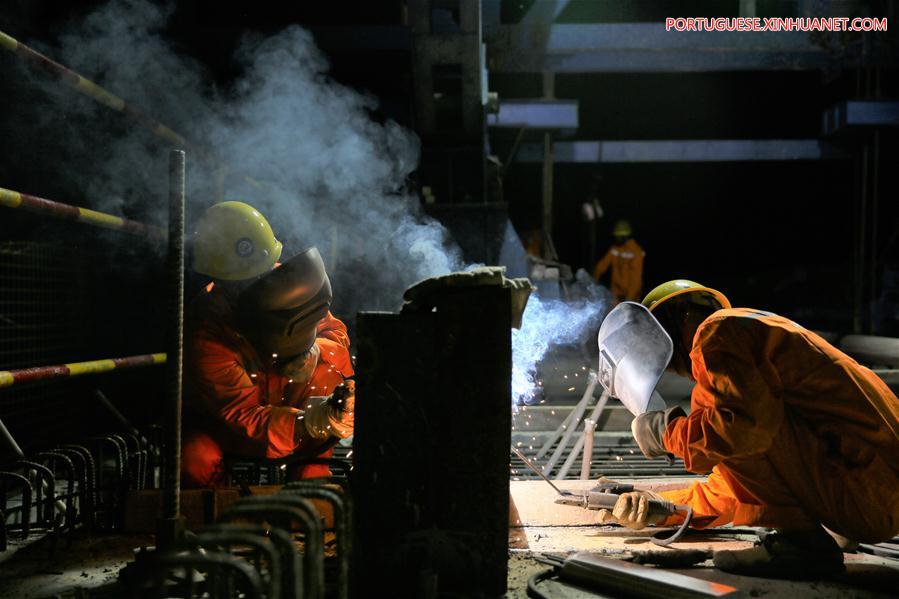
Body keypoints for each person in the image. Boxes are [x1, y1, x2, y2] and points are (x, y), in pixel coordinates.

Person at [598, 279, 899, 578]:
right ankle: (822, 529)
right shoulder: (755, 335)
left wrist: (666, 432)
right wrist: (663, 510)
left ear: (672, 324)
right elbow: (738, 482)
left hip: (868, 489)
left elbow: (742, 431)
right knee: (729, 429)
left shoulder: (716, 331)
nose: (675, 368)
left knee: (732, 428)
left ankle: (802, 546)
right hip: (874, 488)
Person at [181, 201, 354, 488]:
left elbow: (334, 331)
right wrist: (306, 422)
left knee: (326, 371)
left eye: (263, 273)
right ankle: (225, 515)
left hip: (293, 415)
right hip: (231, 431)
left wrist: (315, 351)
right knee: (196, 460)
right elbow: (242, 415)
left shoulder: (286, 282)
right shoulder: (208, 330)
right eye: (245, 281)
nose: (260, 283)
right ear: (220, 279)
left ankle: (311, 478)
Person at [592, 220, 645, 302]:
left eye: (618, 236)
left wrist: (630, 298)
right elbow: (602, 265)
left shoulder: (636, 252)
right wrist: (593, 279)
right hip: (615, 294)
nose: (616, 238)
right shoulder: (615, 249)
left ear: (625, 236)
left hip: (631, 296)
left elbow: (636, 278)